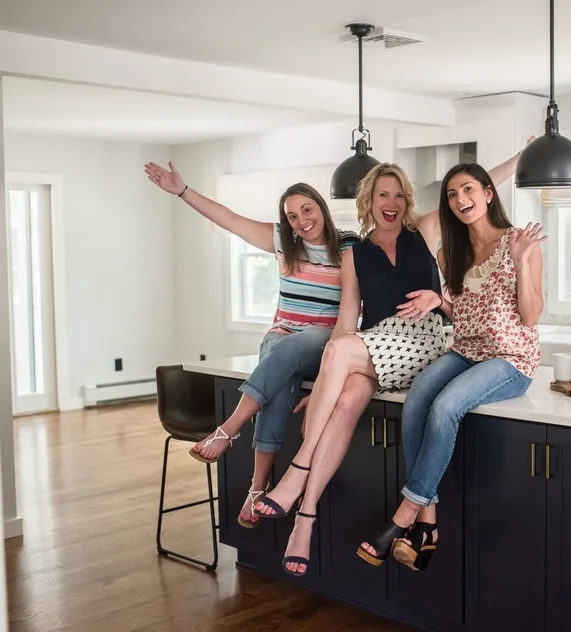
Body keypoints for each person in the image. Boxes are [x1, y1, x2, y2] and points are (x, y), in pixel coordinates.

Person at [252, 147, 529, 577]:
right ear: (370, 200)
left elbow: (470, 189)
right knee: (345, 400)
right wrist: (326, 382)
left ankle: (297, 470)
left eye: (399, 195)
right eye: (383, 194)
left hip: (425, 342)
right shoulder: (354, 254)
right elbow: (347, 322)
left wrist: (524, 155)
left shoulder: (425, 231)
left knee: (341, 354)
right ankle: (304, 521)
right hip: (378, 347)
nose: (392, 203)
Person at [143, 161, 359, 529]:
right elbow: (229, 219)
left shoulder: (350, 246)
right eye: (292, 216)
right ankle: (257, 489)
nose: (302, 220)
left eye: (307, 209)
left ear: (321, 207)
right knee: (278, 381)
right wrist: (183, 192)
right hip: (281, 336)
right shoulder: (283, 242)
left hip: (327, 340)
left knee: (289, 349)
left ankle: (229, 428)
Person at [357, 163, 544, 571]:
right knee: (416, 401)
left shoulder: (519, 243)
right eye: (452, 194)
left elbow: (531, 317)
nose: (461, 199)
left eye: (468, 189)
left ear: (488, 193)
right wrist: (437, 300)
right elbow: (465, 313)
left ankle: (406, 514)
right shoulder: (450, 254)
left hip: (511, 358)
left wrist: (521, 262)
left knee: (446, 407)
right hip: (465, 350)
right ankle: (428, 524)